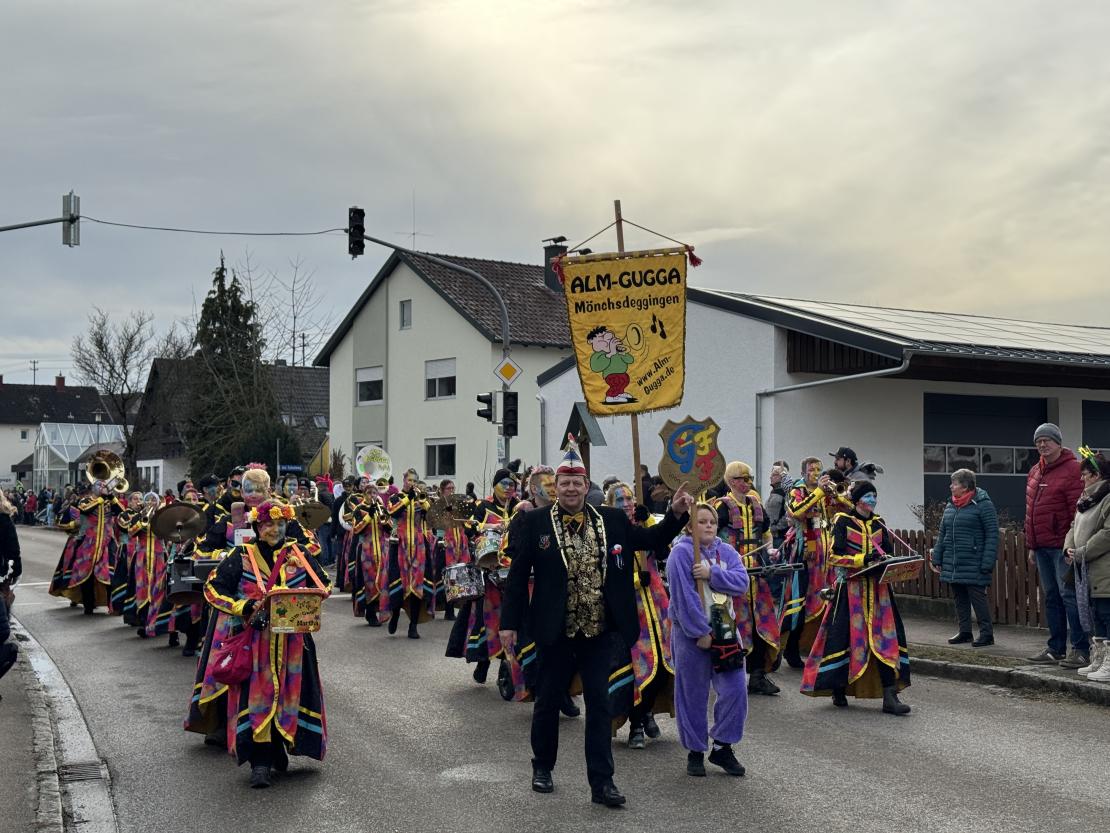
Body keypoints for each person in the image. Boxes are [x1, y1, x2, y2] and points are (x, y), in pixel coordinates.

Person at [499, 437, 693, 808]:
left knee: (600, 708)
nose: (571, 488)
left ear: (587, 487)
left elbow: (652, 538)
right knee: (548, 702)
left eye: (577, 482)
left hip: (599, 631)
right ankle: (542, 767)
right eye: (565, 482)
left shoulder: (613, 520)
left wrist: (676, 513)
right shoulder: (534, 522)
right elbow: (518, 573)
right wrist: (509, 622)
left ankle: (602, 784)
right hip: (555, 630)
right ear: (556, 487)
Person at [199, 498, 331, 787]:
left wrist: (306, 601)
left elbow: (325, 584)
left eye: (280, 523)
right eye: (269, 524)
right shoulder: (241, 555)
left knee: (288, 699)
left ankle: (279, 748)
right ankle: (259, 762)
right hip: (254, 645)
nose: (275, 529)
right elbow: (212, 589)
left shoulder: (298, 553)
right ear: (258, 527)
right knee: (256, 701)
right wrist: (243, 608)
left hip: (294, 646)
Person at [801, 480, 911, 716]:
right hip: (850, 590)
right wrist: (863, 559)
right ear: (858, 499)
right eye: (868, 496)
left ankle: (890, 696)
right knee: (844, 639)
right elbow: (834, 556)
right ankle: (838, 687)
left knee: (886, 640)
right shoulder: (843, 521)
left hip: (879, 592)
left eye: (875, 495)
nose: (872, 500)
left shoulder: (879, 523)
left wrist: (888, 562)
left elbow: (888, 553)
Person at [668, 502, 749, 777]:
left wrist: (712, 574)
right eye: (701, 522)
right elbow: (683, 598)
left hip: (726, 629)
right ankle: (695, 750)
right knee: (693, 692)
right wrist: (700, 631)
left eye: (712, 521)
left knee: (735, 688)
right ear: (690, 526)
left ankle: (723, 746)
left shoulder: (726, 551)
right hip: (693, 635)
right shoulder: (680, 553)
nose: (709, 526)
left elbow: (741, 582)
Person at [605, 482, 674, 749]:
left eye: (630, 498)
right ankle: (635, 722)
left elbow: (663, 551)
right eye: (620, 499)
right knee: (638, 665)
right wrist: (635, 578)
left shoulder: (644, 523)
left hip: (656, 603)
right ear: (611, 504)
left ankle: (647, 713)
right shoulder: (608, 530)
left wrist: (647, 524)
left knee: (663, 664)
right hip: (629, 607)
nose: (626, 503)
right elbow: (609, 569)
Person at [713, 461, 780, 696]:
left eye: (749, 478)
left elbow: (766, 533)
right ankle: (733, 674)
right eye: (743, 478)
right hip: (733, 578)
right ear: (731, 481)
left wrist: (769, 549)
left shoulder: (756, 505)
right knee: (736, 625)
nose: (747, 482)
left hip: (757, 575)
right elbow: (710, 537)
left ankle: (758, 675)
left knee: (761, 623)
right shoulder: (721, 507)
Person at [1024, 423, 1087, 667]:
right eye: (1039, 441)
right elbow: (1031, 511)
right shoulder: (1034, 471)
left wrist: (1073, 545)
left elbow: (1078, 509)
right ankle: (1056, 648)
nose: (1042, 445)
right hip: (1041, 547)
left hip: (1062, 547)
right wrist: (1031, 544)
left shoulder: (1073, 470)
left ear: (1059, 443)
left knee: (1069, 596)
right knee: (1051, 597)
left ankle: (1081, 649)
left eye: (1047, 440)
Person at [781, 459, 850, 668]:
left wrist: (838, 495)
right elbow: (796, 512)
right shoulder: (797, 490)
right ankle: (790, 649)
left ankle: (819, 648)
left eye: (819, 470)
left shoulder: (825, 492)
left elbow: (846, 509)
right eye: (812, 470)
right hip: (805, 555)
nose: (816, 473)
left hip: (824, 553)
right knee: (799, 602)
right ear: (803, 472)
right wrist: (819, 492)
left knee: (826, 600)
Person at [930, 468, 999, 647]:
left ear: (965, 486)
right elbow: (943, 533)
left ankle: (987, 634)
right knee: (959, 598)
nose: (951, 486)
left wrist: (987, 561)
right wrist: (937, 557)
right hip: (954, 560)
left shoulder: (983, 504)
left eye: (954, 483)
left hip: (974, 560)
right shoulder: (950, 505)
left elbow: (992, 534)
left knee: (978, 598)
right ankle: (965, 632)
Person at [1065, 448, 1110, 682]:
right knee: (1098, 615)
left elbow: (1108, 532)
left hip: (1104, 567)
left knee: (1107, 612)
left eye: (1085, 474)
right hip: (1087, 568)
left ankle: (1109, 663)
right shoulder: (1084, 501)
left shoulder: (1107, 498)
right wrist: (1069, 549)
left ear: (1096, 475)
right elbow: (1074, 527)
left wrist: (1083, 551)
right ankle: (1100, 659)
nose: (1081, 479)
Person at [386, 468, 433, 638]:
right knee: (397, 583)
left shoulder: (421, 497)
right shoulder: (395, 498)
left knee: (418, 585)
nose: (412, 483)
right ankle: (395, 615)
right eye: (409, 480)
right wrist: (408, 499)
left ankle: (413, 625)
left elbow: (431, 517)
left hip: (419, 544)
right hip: (400, 543)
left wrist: (424, 502)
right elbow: (393, 512)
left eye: (414, 480)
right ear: (404, 480)